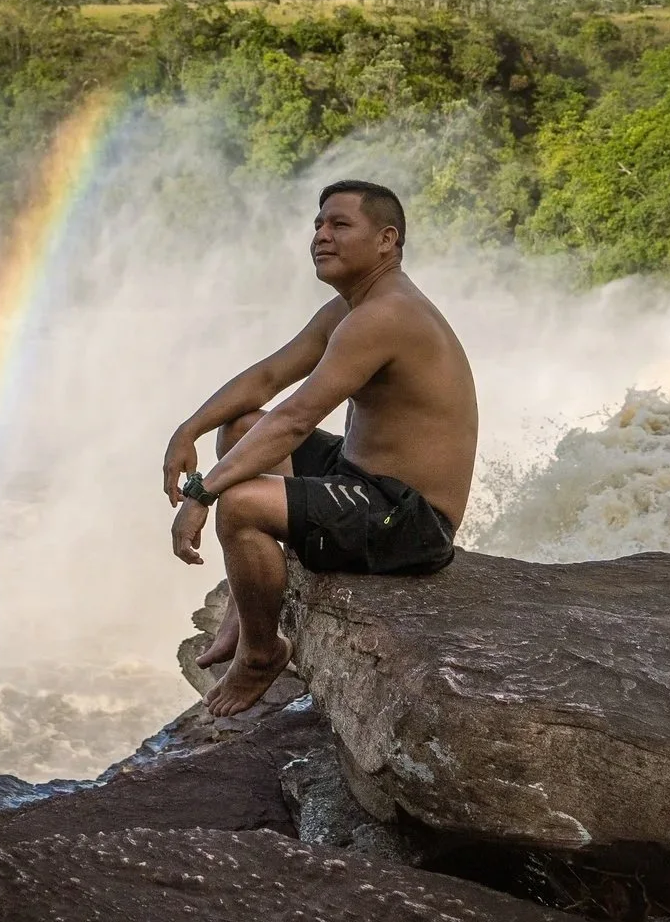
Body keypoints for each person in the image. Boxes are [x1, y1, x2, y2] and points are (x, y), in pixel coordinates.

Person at [161, 180, 479, 716]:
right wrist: (185, 431)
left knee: (241, 506)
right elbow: (267, 380)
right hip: (361, 478)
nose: (321, 236)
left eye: (339, 225)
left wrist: (201, 494)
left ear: (387, 239)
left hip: (407, 518)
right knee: (241, 427)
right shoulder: (352, 308)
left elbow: (295, 419)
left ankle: (263, 653)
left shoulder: (386, 315)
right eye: (317, 225)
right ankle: (246, 607)